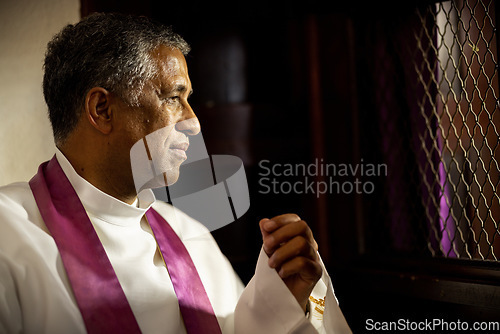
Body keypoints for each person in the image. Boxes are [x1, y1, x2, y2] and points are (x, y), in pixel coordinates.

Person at [0, 13, 351, 334]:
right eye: (173, 98)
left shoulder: (187, 235)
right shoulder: (8, 233)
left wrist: (294, 302)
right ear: (102, 109)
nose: (194, 123)